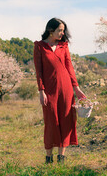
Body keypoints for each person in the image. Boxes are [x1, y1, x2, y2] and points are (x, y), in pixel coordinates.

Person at [33, 18, 86, 164]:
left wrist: (77, 88)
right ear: (51, 30)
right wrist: (41, 91)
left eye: (63, 30)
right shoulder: (40, 47)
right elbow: (39, 72)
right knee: (51, 121)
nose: (62, 33)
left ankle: (61, 157)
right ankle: (48, 158)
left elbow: (69, 67)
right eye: (60, 30)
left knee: (66, 120)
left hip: (66, 89)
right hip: (49, 90)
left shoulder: (64, 46)